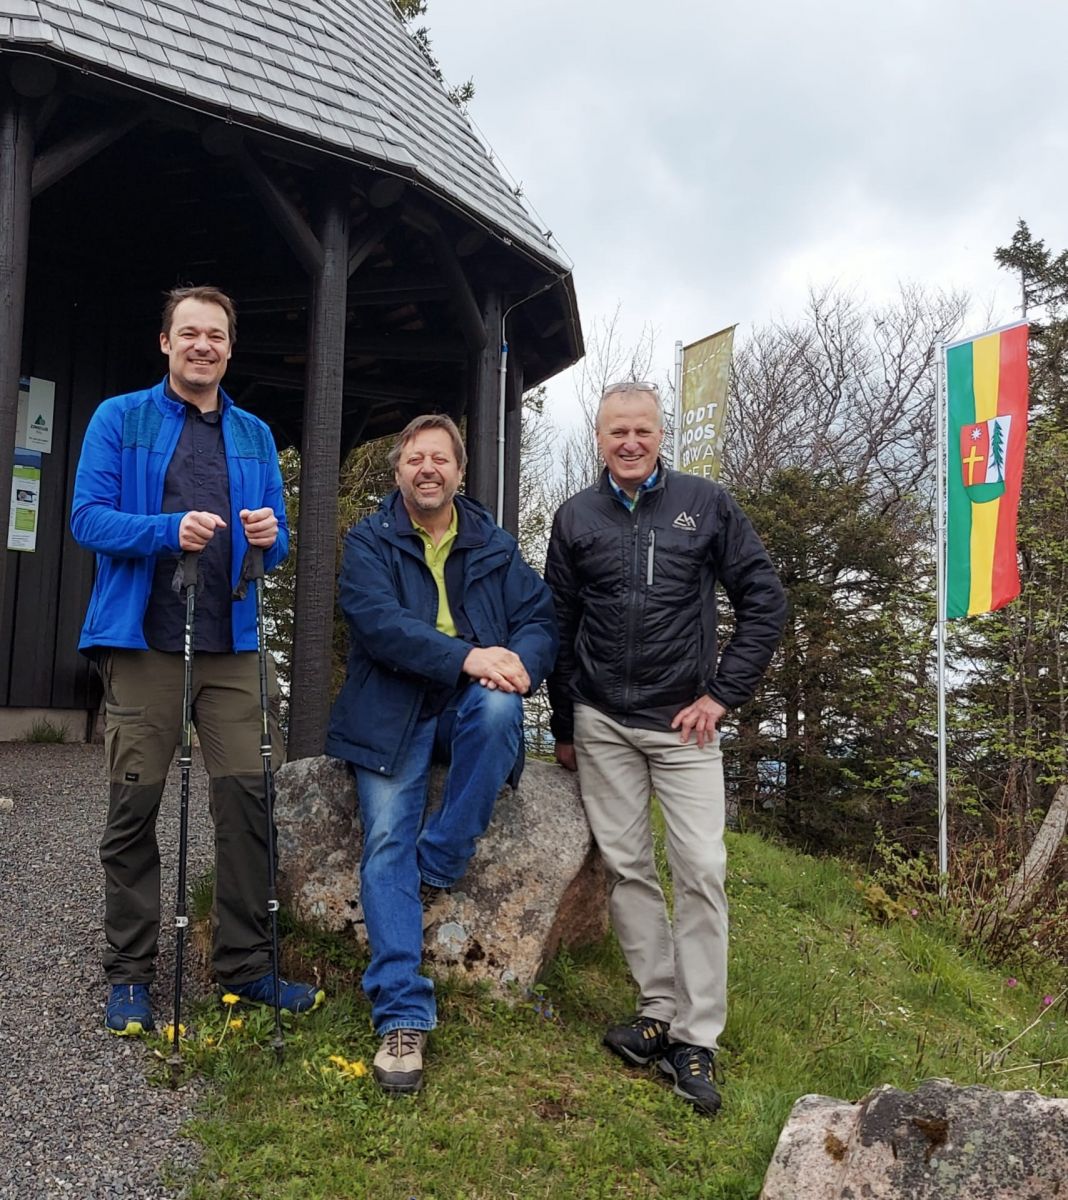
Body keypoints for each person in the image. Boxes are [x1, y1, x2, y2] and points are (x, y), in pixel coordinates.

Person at [71, 285, 324, 1036]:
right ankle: (130, 974)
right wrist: (167, 529)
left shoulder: (254, 434)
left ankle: (244, 970)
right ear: (165, 343)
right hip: (144, 640)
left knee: (248, 804)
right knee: (134, 809)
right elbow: (87, 518)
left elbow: (277, 543)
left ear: (229, 348)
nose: (202, 346)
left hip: (233, 644)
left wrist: (269, 537)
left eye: (215, 335)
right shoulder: (120, 418)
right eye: (189, 333)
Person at [545, 380, 786, 1117]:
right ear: (599, 438)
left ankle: (696, 1037)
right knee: (628, 870)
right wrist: (563, 725)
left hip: (686, 725)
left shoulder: (706, 504)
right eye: (617, 431)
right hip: (603, 723)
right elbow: (558, 623)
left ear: (660, 434)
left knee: (702, 870)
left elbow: (765, 599)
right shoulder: (575, 515)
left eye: (642, 430)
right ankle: (657, 1009)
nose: (630, 442)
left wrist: (722, 695)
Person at [326, 413, 557, 1095]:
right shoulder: (369, 540)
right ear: (398, 470)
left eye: (439, 459)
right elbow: (379, 625)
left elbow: (539, 618)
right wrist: (468, 657)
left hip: (466, 709)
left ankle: (444, 857)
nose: (427, 469)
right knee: (386, 840)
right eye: (414, 459)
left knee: (499, 707)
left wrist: (519, 664)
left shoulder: (492, 543)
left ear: (459, 471)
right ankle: (401, 1014)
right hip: (390, 712)